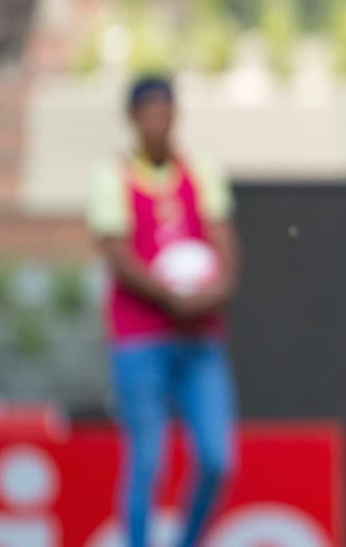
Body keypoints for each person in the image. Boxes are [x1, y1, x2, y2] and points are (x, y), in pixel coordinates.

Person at [87, 74, 241, 547]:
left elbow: (222, 240)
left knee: (217, 457)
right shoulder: (112, 177)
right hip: (140, 339)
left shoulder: (200, 171)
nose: (158, 121)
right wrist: (167, 296)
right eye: (148, 112)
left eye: (165, 110)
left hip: (199, 338)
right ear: (133, 119)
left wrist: (220, 287)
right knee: (148, 460)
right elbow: (117, 253)